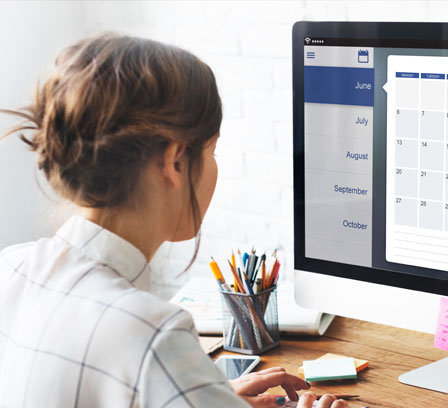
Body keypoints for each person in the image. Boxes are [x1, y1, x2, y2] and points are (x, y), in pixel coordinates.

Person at [0, 34, 349, 408]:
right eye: (212, 150)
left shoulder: (10, 267)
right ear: (174, 161)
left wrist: (196, 393)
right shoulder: (153, 335)